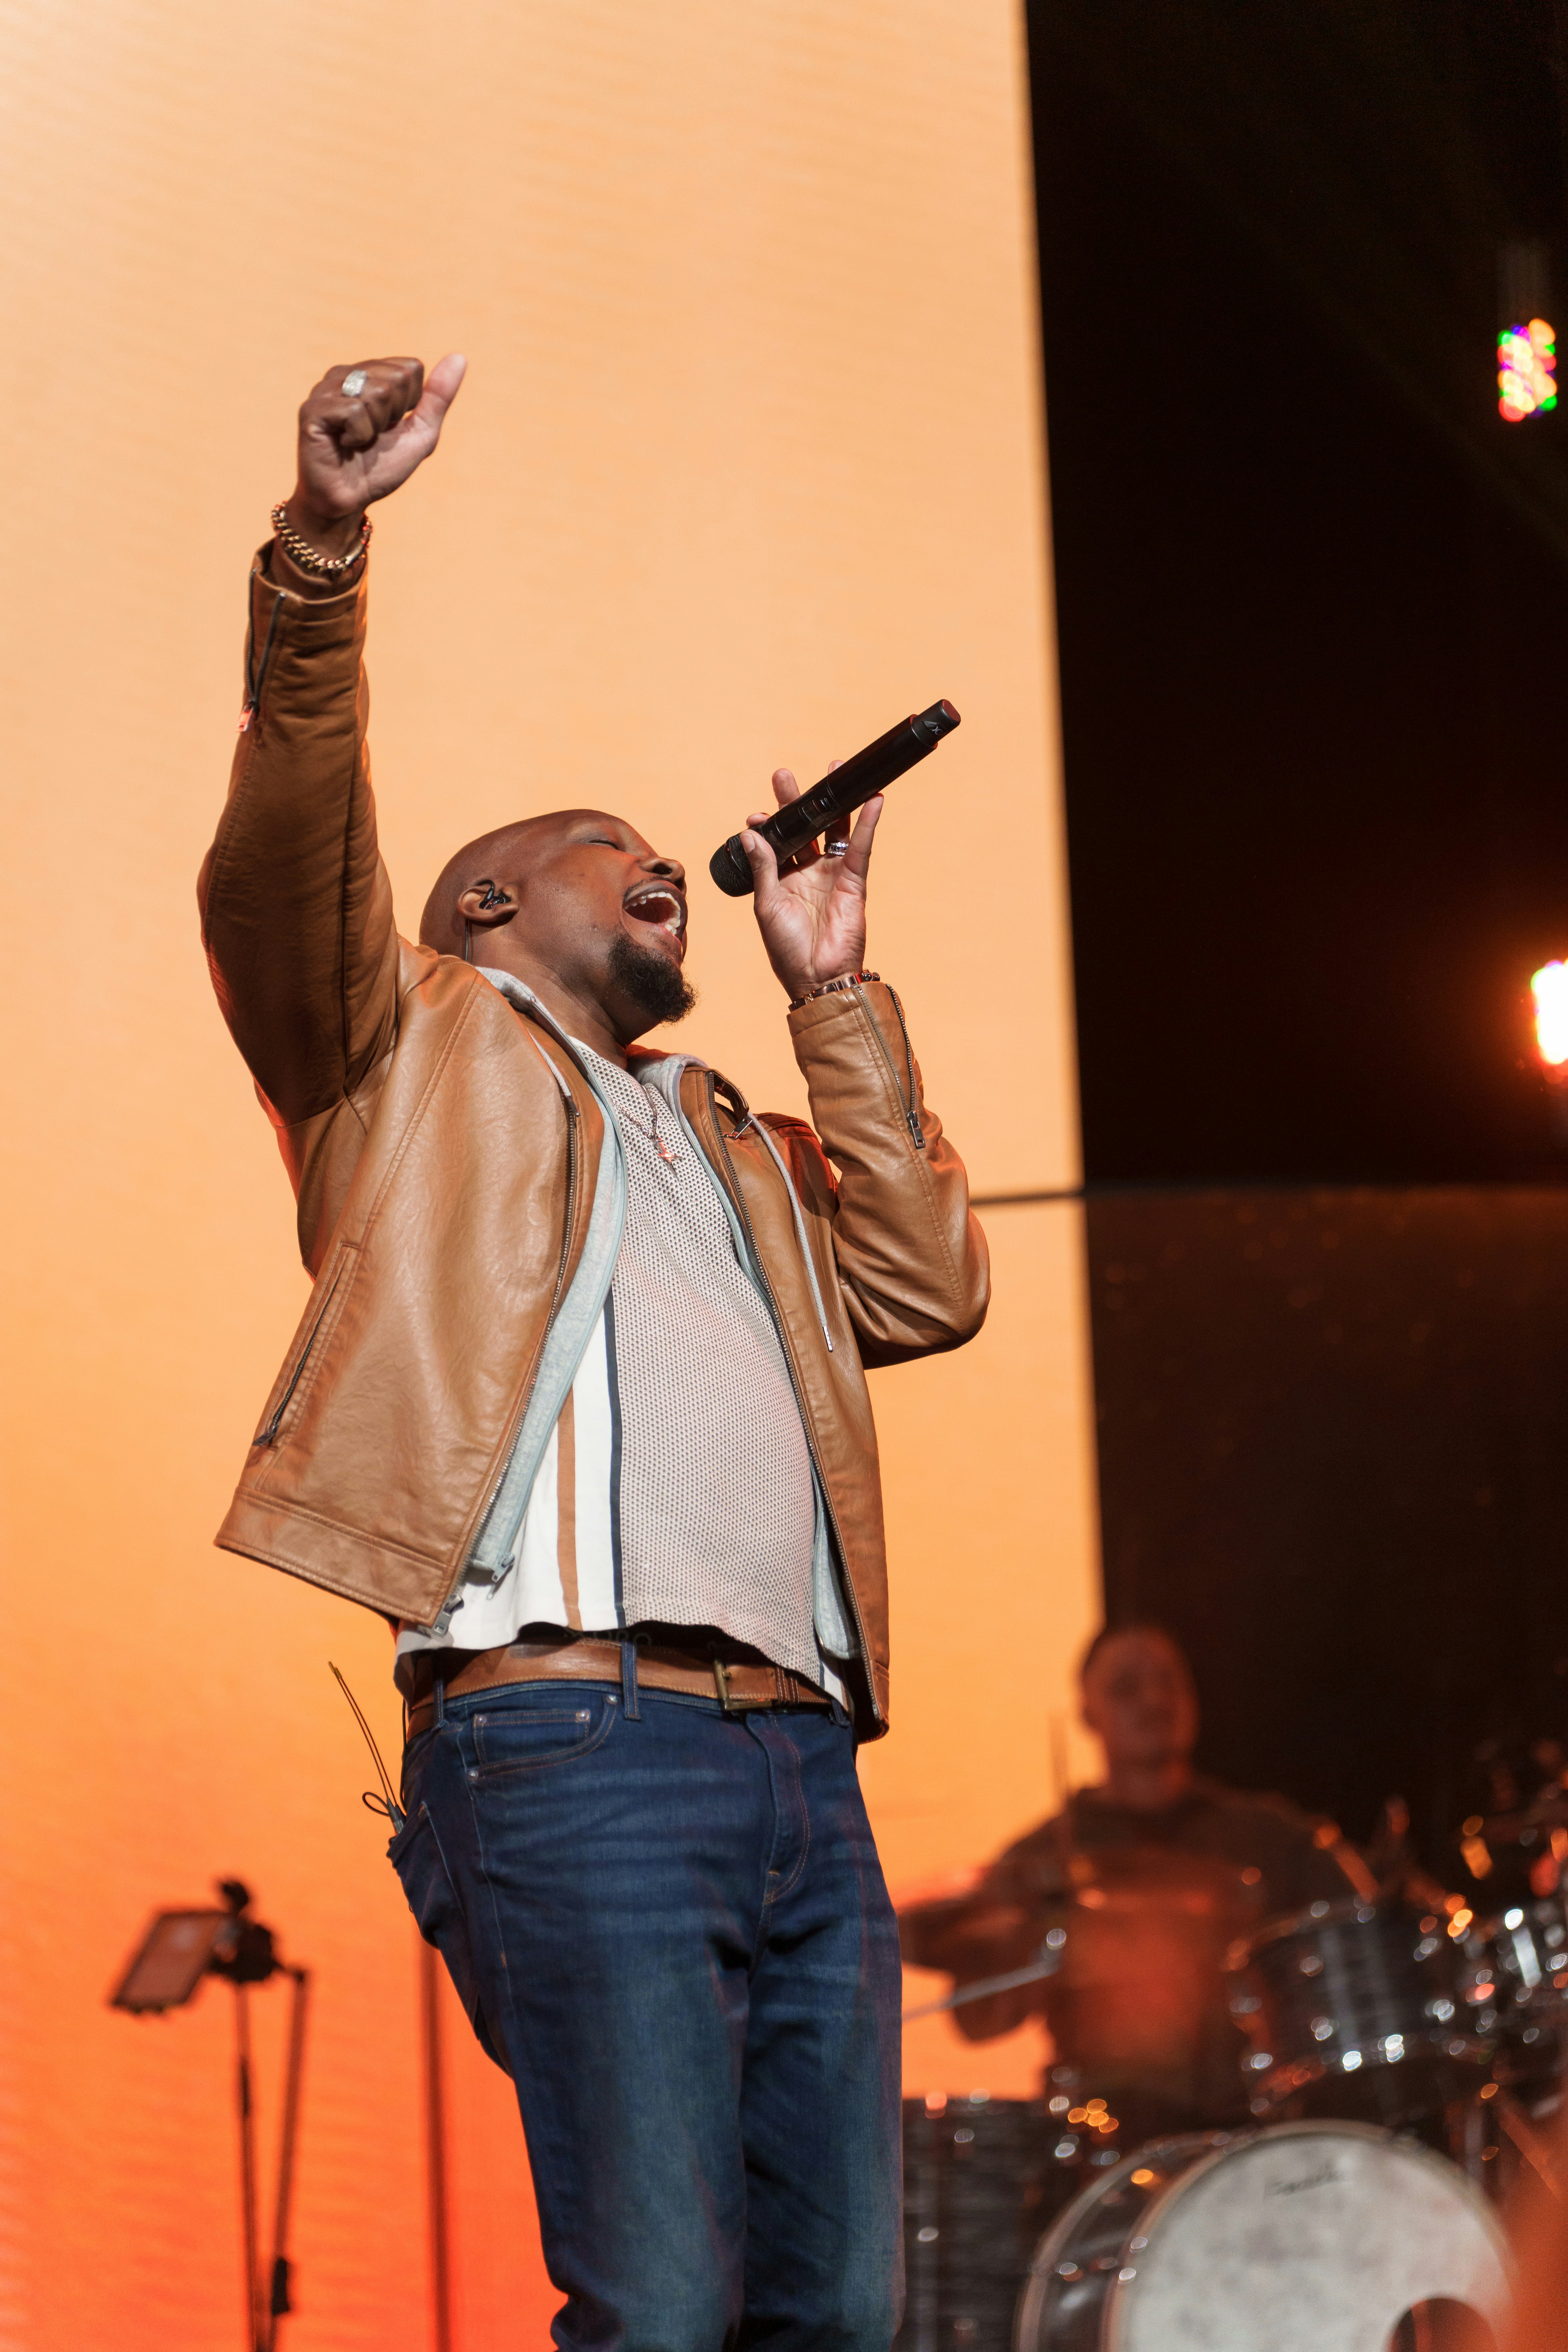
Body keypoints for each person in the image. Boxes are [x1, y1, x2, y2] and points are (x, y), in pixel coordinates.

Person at [198, 352, 989, 2351]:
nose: (664, 862)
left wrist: (838, 993)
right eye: (601, 841)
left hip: (803, 1758)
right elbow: (281, 868)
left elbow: (921, 1283)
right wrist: (323, 550)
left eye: (666, 849)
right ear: (486, 900)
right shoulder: (404, 1052)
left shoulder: (729, 1125)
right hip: (577, 1743)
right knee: (658, 2308)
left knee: (835, 2319)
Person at [900, 1623, 1368, 2128]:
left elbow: (1363, 1951)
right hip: (1099, 2134)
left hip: (1259, 2122)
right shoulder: (1039, 1860)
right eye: (1126, 1687)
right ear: (1086, 1713)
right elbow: (980, 2023)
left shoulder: (1275, 1838)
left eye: (1170, 1682)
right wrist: (1039, 1940)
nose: (1154, 1699)